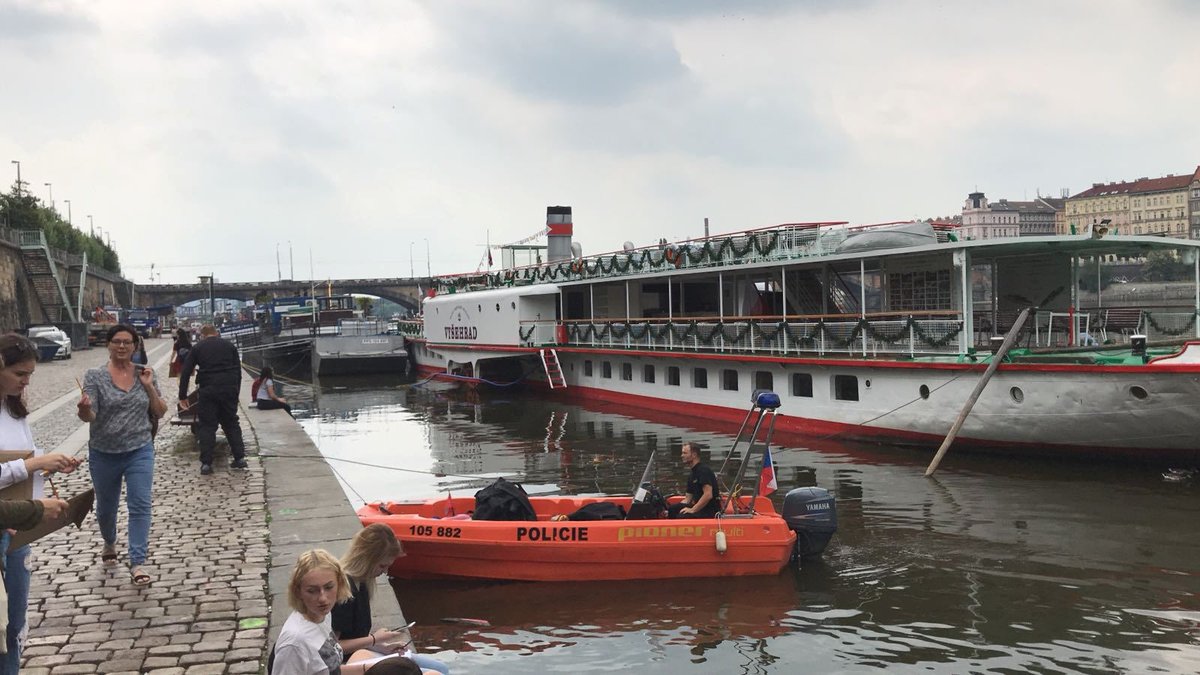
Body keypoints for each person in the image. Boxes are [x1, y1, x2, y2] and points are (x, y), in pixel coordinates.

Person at [0, 333, 80, 669]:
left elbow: (15, 466)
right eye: (20, 374)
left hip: (19, 531)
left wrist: (45, 470)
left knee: (16, 625)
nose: (26, 381)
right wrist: (33, 465)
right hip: (6, 524)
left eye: (31, 374)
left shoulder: (14, 408)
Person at [77, 324, 169, 588]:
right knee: (106, 508)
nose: (121, 346)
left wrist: (149, 387)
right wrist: (83, 410)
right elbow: (90, 416)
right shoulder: (94, 376)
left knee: (140, 504)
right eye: (116, 341)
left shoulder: (145, 373)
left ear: (135, 346)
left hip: (139, 450)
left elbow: (160, 411)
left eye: (127, 342)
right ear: (108, 345)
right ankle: (109, 541)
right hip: (104, 452)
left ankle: (138, 561)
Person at [272, 549, 437, 675]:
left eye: (329, 587)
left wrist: (372, 666)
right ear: (298, 591)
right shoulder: (295, 643)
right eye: (312, 591)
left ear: (339, 584)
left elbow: (332, 670)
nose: (323, 598)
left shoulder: (322, 615)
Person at [333, 524, 450, 674]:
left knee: (442, 668)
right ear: (366, 558)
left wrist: (382, 646)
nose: (385, 572)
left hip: (364, 651)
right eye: (382, 566)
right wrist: (374, 640)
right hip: (348, 663)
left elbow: (355, 636)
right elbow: (333, 648)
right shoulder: (344, 592)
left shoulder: (362, 582)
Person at [178, 324, 247, 475]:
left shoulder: (198, 348)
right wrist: (236, 391)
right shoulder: (230, 346)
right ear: (217, 333)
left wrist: (182, 395)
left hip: (208, 390)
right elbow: (238, 371)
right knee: (231, 423)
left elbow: (186, 371)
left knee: (207, 426)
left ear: (202, 335)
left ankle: (206, 464)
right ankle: (239, 458)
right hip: (229, 389)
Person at [668, 442, 720, 519]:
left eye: (685, 453)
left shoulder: (703, 470)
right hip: (700, 508)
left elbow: (708, 495)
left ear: (694, 455)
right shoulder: (692, 474)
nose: (682, 456)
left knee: (682, 517)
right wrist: (669, 508)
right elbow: (687, 499)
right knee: (672, 509)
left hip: (709, 510)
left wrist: (692, 510)